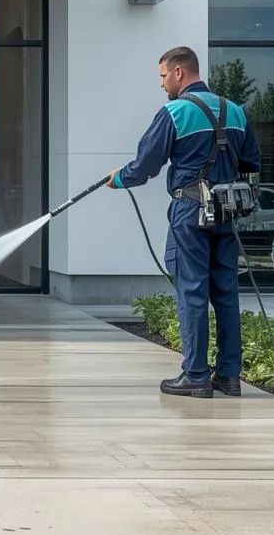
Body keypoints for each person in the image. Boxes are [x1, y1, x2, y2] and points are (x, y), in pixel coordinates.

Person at [108, 46, 261, 398]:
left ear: (179, 72)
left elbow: (146, 165)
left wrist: (119, 179)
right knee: (225, 293)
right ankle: (228, 375)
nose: (161, 84)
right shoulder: (234, 111)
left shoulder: (175, 112)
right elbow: (251, 163)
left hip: (190, 213)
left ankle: (195, 375)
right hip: (226, 213)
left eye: (163, 75)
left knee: (191, 290)